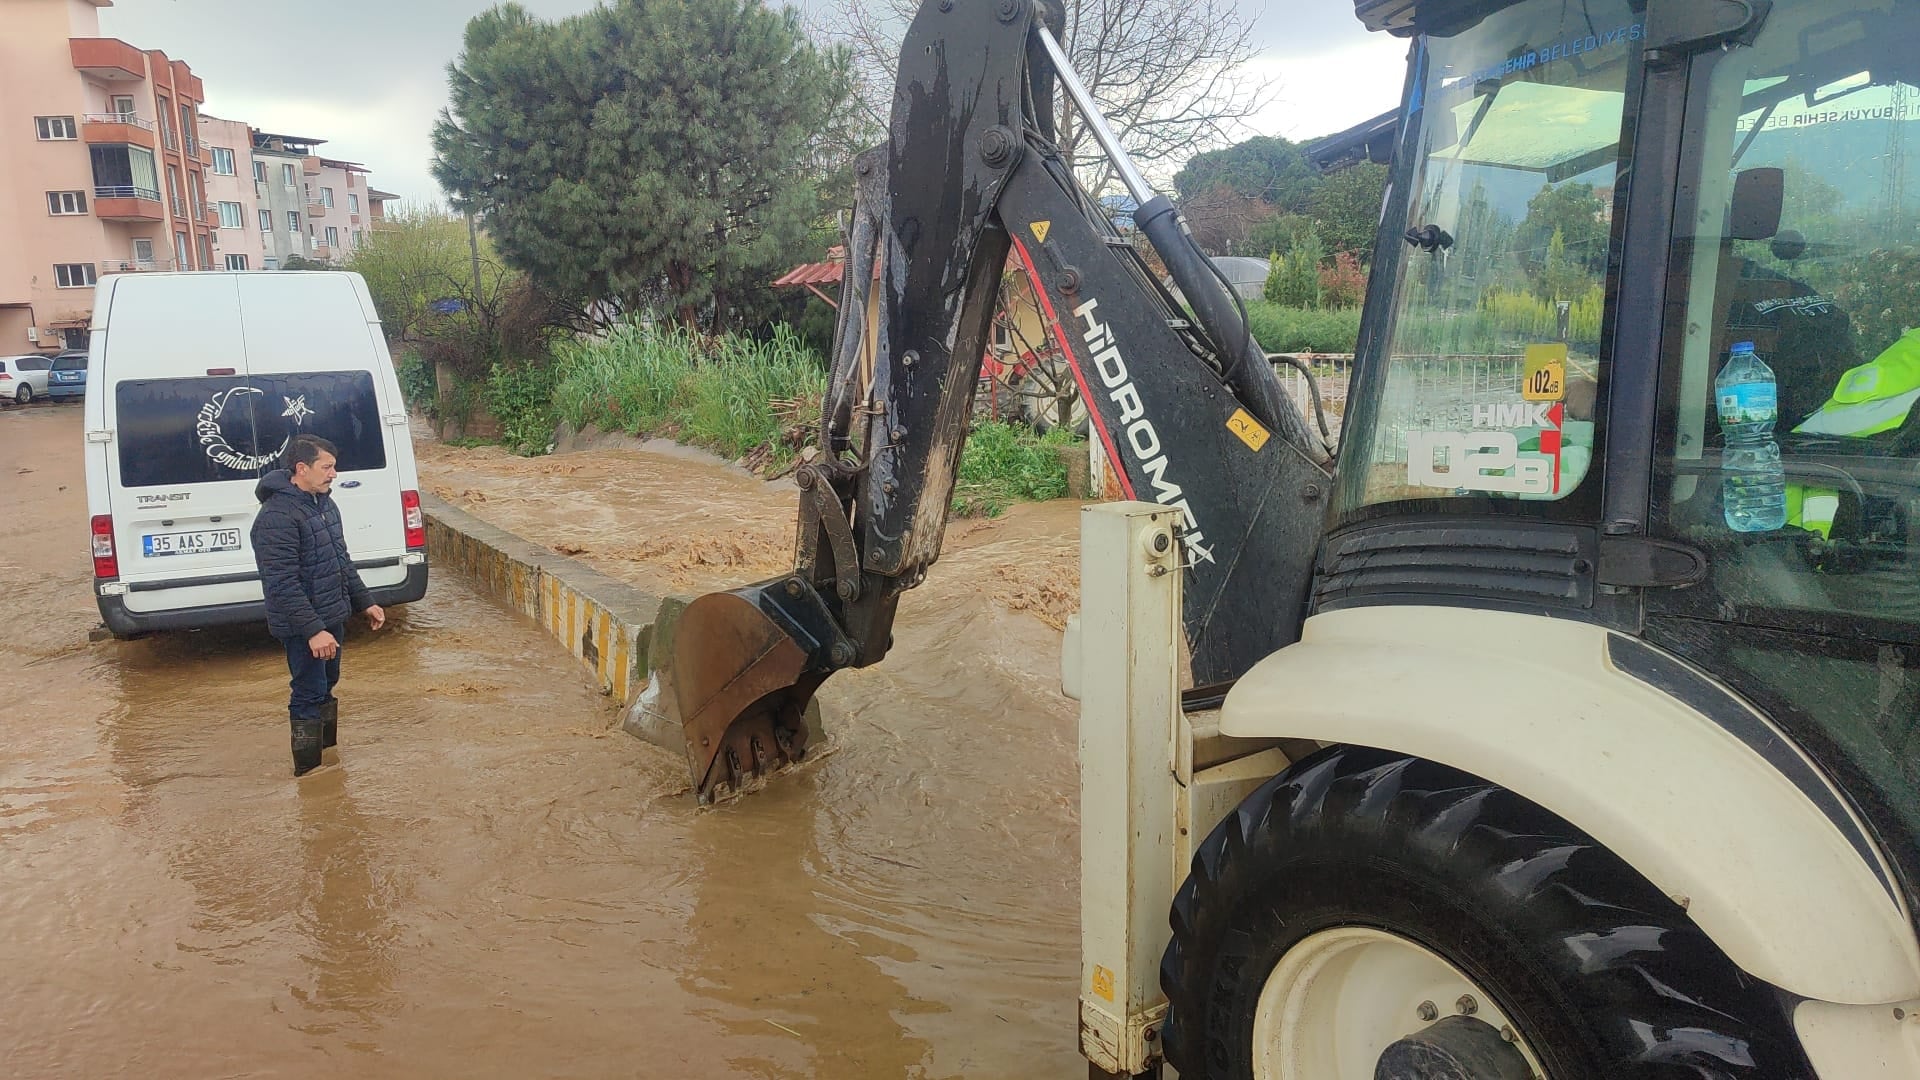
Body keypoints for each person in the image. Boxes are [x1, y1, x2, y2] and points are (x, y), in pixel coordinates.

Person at [251, 434, 385, 776]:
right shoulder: (277, 517)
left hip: (331, 615)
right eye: (327, 467)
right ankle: (309, 777)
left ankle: (329, 766)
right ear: (301, 468)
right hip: (304, 627)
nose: (334, 474)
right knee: (308, 692)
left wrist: (365, 601)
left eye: (334, 467)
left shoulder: (323, 504)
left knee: (327, 684)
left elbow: (340, 560)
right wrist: (313, 631)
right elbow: (281, 583)